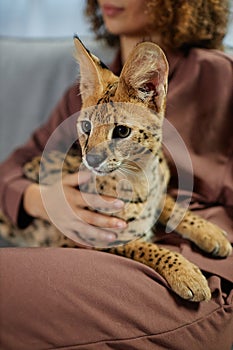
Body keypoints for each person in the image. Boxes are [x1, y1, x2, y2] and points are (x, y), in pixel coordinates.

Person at [0, 0, 233, 349]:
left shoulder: (217, 75)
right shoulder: (92, 90)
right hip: (99, 252)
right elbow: (11, 172)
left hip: (194, 271)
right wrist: (40, 199)